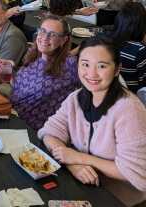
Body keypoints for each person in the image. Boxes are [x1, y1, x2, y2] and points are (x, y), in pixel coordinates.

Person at [38, 36, 146, 207]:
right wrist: (72, 163)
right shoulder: (75, 98)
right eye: (85, 64)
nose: (92, 74)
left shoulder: (129, 110)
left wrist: (79, 158)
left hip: (119, 199)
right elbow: (49, 132)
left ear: (117, 69)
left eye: (102, 66)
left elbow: (136, 173)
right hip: (84, 186)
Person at [0, 15, 79, 131]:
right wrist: (10, 72)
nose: (45, 38)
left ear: (63, 40)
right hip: (9, 116)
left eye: (53, 35)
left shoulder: (69, 64)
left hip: (30, 130)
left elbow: (97, 87)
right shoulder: (33, 54)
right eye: (42, 31)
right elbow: (17, 87)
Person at [104, 2, 146, 94]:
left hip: (106, 91)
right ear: (142, 25)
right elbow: (143, 80)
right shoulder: (139, 50)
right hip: (131, 96)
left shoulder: (102, 37)